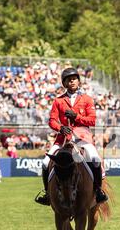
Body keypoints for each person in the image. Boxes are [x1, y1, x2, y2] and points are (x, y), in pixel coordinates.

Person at [35, 67, 108, 206]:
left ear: (78, 81)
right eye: (69, 79)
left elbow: (92, 120)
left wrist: (77, 116)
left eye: (74, 78)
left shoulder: (87, 99)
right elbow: (52, 120)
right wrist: (60, 128)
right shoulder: (58, 101)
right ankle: (47, 193)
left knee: (95, 158)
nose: (72, 81)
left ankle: (98, 191)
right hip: (63, 139)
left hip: (82, 138)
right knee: (45, 163)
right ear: (65, 83)